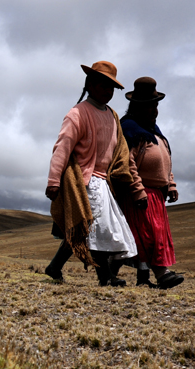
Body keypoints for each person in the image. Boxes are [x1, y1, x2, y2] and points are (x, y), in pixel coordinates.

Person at [44, 61, 139, 287]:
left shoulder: (113, 115)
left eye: (112, 88)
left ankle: (54, 267)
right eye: (104, 85)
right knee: (94, 228)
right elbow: (63, 146)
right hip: (83, 180)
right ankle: (105, 277)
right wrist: (53, 180)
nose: (108, 91)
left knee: (89, 229)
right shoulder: (77, 114)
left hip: (103, 180)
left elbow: (120, 149)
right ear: (90, 84)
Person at [118, 77, 184, 289]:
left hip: (156, 194)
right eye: (151, 106)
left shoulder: (154, 130)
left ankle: (113, 270)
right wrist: (138, 191)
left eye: (156, 105)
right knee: (146, 237)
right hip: (140, 194)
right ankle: (162, 274)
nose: (155, 110)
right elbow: (127, 163)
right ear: (138, 106)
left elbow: (166, 159)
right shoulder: (129, 129)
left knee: (152, 237)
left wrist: (170, 184)